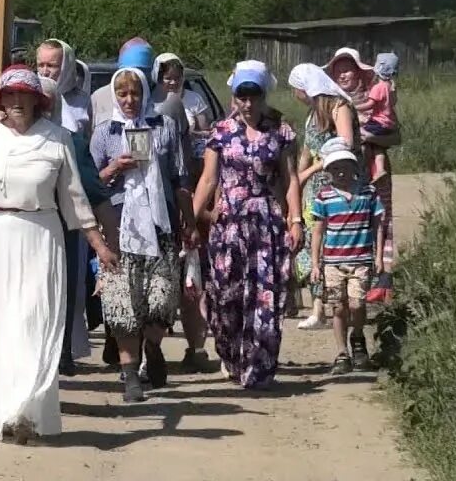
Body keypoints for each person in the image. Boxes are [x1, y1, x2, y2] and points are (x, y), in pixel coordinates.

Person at [0, 65, 104, 444]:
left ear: (37, 100)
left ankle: (24, 411)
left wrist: (99, 244)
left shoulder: (57, 139)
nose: (18, 102)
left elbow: (74, 198)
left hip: (40, 236)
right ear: (1, 101)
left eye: (25, 95)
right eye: (11, 96)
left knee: (34, 322)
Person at [192, 61, 301, 390]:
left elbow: (290, 179)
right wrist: (193, 220)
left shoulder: (280, 131)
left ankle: (260, 368)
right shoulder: (221, 132)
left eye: (254, 96)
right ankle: (231, 356)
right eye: (243, 96)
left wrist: (295, 220)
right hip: (229, 225)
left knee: (265, 296)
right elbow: (209, 179)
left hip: (266, 222)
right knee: (227, 297)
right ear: (235, 96)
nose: (249, 103)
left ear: (263, 95)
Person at [90, 67, 194, 401]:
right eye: (122, 94)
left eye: (135, 93)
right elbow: (91, 185)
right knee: (123, 302)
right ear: (114, 97)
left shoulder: (165, 127)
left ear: (145, 94)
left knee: (160, 300)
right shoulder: (105, 133)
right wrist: (114, 168)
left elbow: (180, 180)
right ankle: (131, 374)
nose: (129, 100)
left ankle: (153, 345)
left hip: (160, 224)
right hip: (119, 225)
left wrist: (187, 224)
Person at [39, 76, 119, 377]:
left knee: (61, 298)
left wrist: (108, 242)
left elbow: (95, 196)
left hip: (63, 234)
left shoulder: (70, 142)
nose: (43, 109)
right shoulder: (1, 141)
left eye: (49, 103)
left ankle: (61, 355)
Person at [287, 63, 359, 331]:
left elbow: (345, 144)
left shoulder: (339, 108)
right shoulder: (312, 114)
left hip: (339, 181)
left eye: (296, 88)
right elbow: (307, 149)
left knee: (337, 242)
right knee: (313, 241)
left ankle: (344, 303)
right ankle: (318, 308)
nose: (295, 94)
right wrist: (297, 177)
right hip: (315, 187)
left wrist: (314, 169)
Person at [154, 52, 212, 371]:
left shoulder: (186, 101)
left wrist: (190, 214)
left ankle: (196, 348)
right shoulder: (138, 105)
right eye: (164, 74)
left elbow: (195, 151)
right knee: (160, 281)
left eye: (174, 74)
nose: (170, 79)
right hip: (157, 204)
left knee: (191, 275)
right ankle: (152, 348)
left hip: (184, 193)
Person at [309, 142, 385, 375]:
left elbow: (378, 225)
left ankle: (358, 338)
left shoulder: (368, 194)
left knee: (357, 303)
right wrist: (315, 263)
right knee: (338, 307)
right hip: (332, 263)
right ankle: (342, 353)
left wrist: (379, 255)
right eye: (335, 168)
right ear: (328, 173)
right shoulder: (324, 197)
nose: (340, 173)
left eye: (345, 166)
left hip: (361, 259)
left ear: (355, 167)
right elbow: (318, 231)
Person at [324, 48, 396, 273]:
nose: (343, 75)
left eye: (348, 70)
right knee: (344, 222)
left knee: (378, 218)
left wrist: (369, 136)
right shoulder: (329, 102)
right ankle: (342, 277)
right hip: (340, 175)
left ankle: (380, 275)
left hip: (373, 171)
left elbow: (396, 134)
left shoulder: (373, 96)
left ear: (358, 73)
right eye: (338, 71)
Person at [35, 39, 92, 138]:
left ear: (66, 67)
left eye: (51, 66)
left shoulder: (83, 102)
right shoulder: (29, 98)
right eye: (41, 65)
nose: (44, 72)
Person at [359, 53, 401, 182]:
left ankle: (363, 170)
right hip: (388, 122)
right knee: (378, 146)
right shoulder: (391, 87)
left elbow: (370, 104)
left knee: (361, 134)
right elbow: (393, 103)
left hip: (378, 121)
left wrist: (355, 106)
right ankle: (380, 169)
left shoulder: (378, 87)